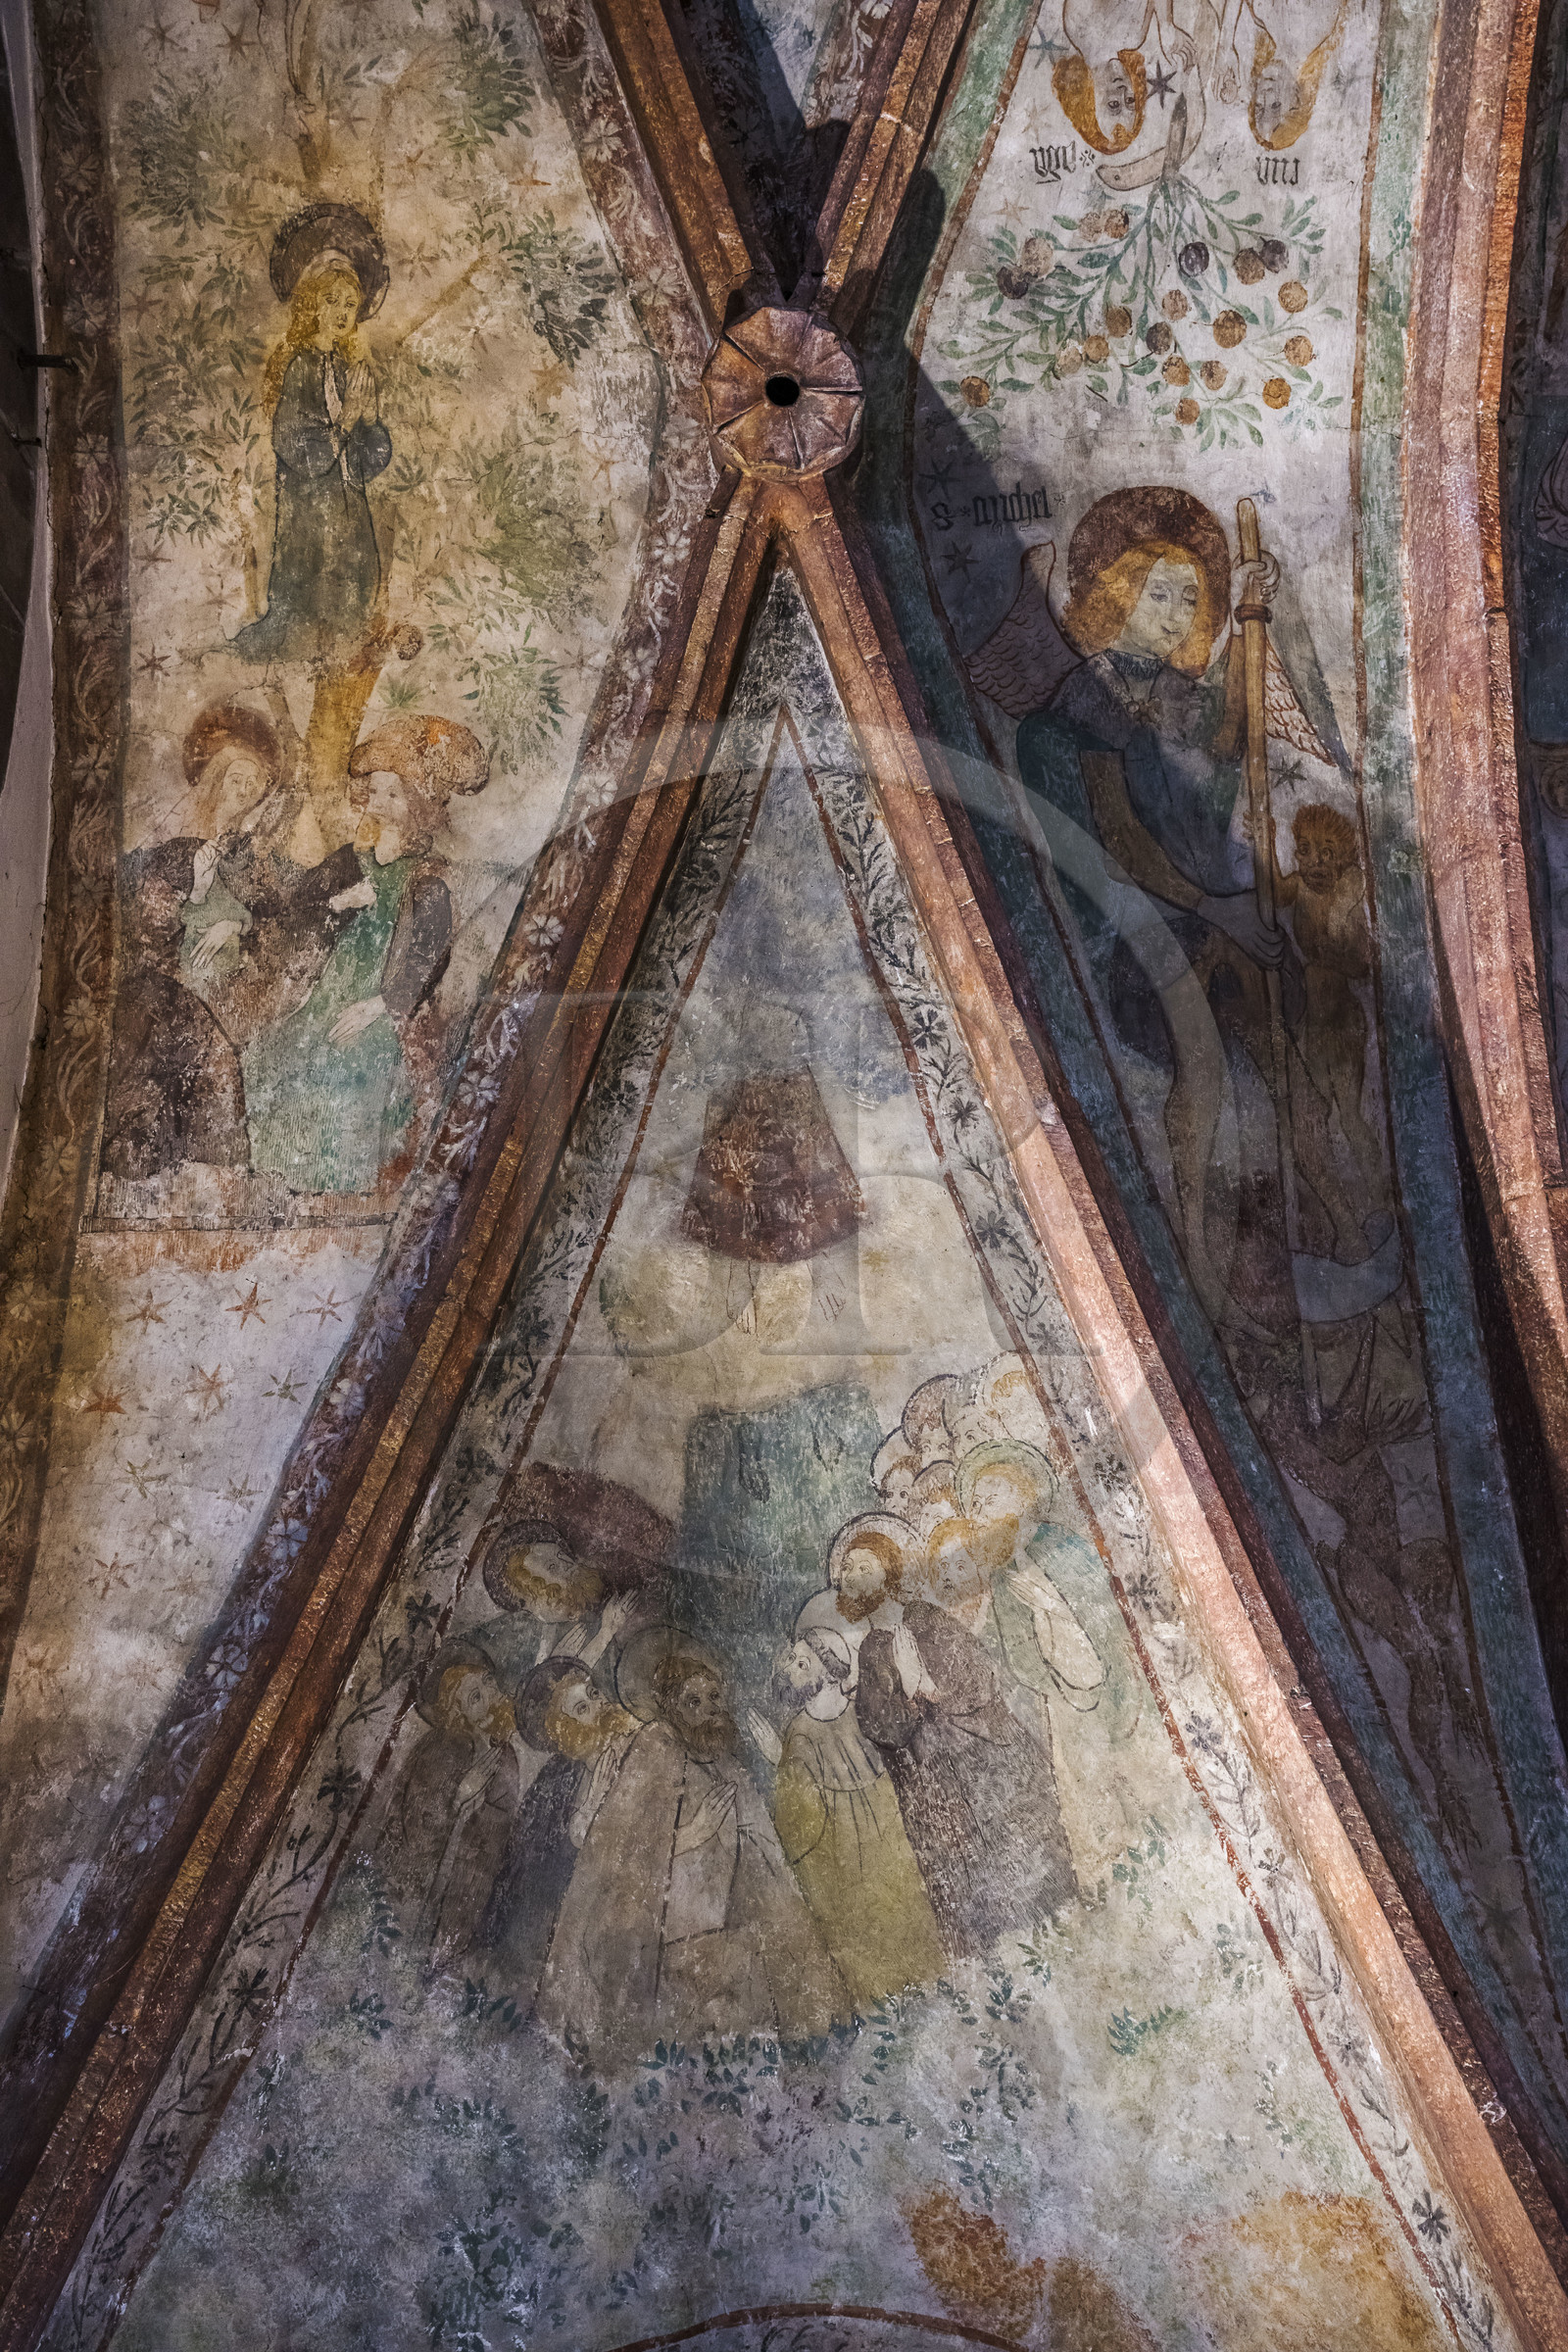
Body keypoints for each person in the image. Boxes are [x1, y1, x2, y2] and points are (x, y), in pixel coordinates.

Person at [534, 1640, 847, 2068]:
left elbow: (766, 1853)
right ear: (671, 1710)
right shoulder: (655, 1750)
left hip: (735, 1943)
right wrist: (694, 1833)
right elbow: (621, 1850)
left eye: (715, 1697)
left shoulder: (727, 1763)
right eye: (694, 1701)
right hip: (672, 1946)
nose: (710, 1708)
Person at [240, 713, 488, 1193]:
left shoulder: (427, 877)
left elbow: (428, 957)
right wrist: (341, 901)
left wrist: (378, 1006)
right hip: (332, 989)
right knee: (275, 1057)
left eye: (393, 794)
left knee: (347, 1070)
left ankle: (336, 1185)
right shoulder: (353, 860)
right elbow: (299, 905)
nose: (378, 802)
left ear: (417, 805)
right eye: (375, 791)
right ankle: (285, 1177)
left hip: (382, 1008)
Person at [849, 1527, 1077, 1955]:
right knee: (967, 1878)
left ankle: (1061, 1932)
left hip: (984, 1754)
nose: (855, 1575)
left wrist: (939, 1694)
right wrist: (909, 1706)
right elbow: (877, 1726)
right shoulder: (870, 1653)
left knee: (1023, 1852)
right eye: (847, 1570)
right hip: (934, 1784)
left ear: (888, 1570)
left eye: (864, 1565)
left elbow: (978, 1671)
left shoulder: (926, 1617)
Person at [763, 1630, 946, 2006]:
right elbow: (798, 1831)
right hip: (846, 1874)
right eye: (793, 1663)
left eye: (802, 1663)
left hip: (892, 1855)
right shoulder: (798, 1738)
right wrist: (783, 1767)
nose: (793, 1672)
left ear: (831, 1671)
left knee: (917, 1944)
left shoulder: (863, 1715)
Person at [234, 262, 392, 668]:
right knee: (306, 606)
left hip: (349, 509)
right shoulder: (298, 366)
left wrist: (369, 420)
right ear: (312, 305)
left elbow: (364, 462)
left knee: (353, 600)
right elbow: (296, 447)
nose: (342, 312)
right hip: (309, 509)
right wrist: (345, 420)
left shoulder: (345, 369)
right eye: (332, 300)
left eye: (351, 304)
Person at [472, 1656, 640, 2014]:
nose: (599, 1704)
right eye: (582, 1706)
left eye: (594, 1693)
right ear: (566, 1731)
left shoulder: (639, 1747)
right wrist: (588, 1815)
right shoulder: (556, 1785)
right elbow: (534, 1878)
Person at [377, 1643, 527, 1973]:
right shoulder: (440, 1751)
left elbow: (500, 1837)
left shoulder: (505, 1757)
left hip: (470, 1894)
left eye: (489, 1684)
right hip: (424, 1896)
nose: (490, 1697)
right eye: (475, 1697)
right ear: (456, 1712)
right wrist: (460, 1797)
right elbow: (417, 1836)